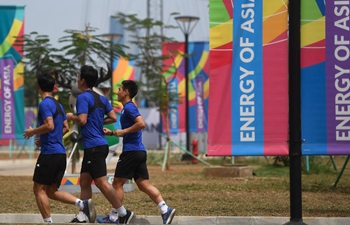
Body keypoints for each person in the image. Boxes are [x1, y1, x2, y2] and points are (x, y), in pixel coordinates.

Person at [97, 80, 176, 224]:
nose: (117, 91)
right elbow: (128, 131)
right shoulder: (127, 108)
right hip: (138, 151)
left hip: (131, 152)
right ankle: (165, 209)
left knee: (117, 184)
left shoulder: (129, 107)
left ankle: (115, 217)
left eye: (120, 89)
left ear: (126, 92)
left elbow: (141, 124)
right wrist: (113, 133)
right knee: (143, 184)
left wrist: (123, 131)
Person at [23, 73, 95, 223]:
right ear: (53, 87)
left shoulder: (44, 104)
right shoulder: (59, 106)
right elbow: (65, 128)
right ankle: (82, 204)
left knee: (38, 190)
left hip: (49, 154)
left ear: (38, 87)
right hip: (60, 153)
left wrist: (32, 132)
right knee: (51, 191)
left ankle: (48, 222)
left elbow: (49, 125)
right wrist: (45, 139)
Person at [66, 65, 134, 224]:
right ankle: (84, 215)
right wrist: (97, 122)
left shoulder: (83, 97)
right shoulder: (102, 98)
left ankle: (123, 214)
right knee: (84, 181)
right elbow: (113, 117)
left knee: (101, 182)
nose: (77, 79)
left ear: (82, 81)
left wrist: (71, 117)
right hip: (97, 145)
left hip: (94, 146)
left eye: (78, 77)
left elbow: (82, 120)